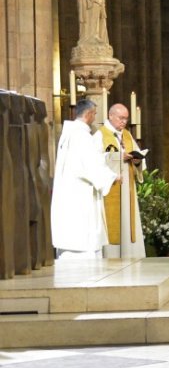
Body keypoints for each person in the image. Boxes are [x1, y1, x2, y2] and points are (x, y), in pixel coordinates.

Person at [51, 99, 119, 259]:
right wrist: (113, 177)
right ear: (88, 114)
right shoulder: (82, 136)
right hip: (80, 199)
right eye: (95, 114)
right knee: (83, 249)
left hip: (69, 196)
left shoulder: (68, 134)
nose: (95, 117)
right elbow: (91, 167)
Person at [94, 103, 146, 258]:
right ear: (110, 116)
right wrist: (118, 157)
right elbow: (95, 161)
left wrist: (137, 161)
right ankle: (112, 255)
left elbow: (138, 160)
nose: (124, 122)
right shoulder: (100, 135)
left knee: (128, 222)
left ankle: (129, 254)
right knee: (113, 225)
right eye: (121, 118)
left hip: (127, 188)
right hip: (111, 188)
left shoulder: (127, 135)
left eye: (126, 119)